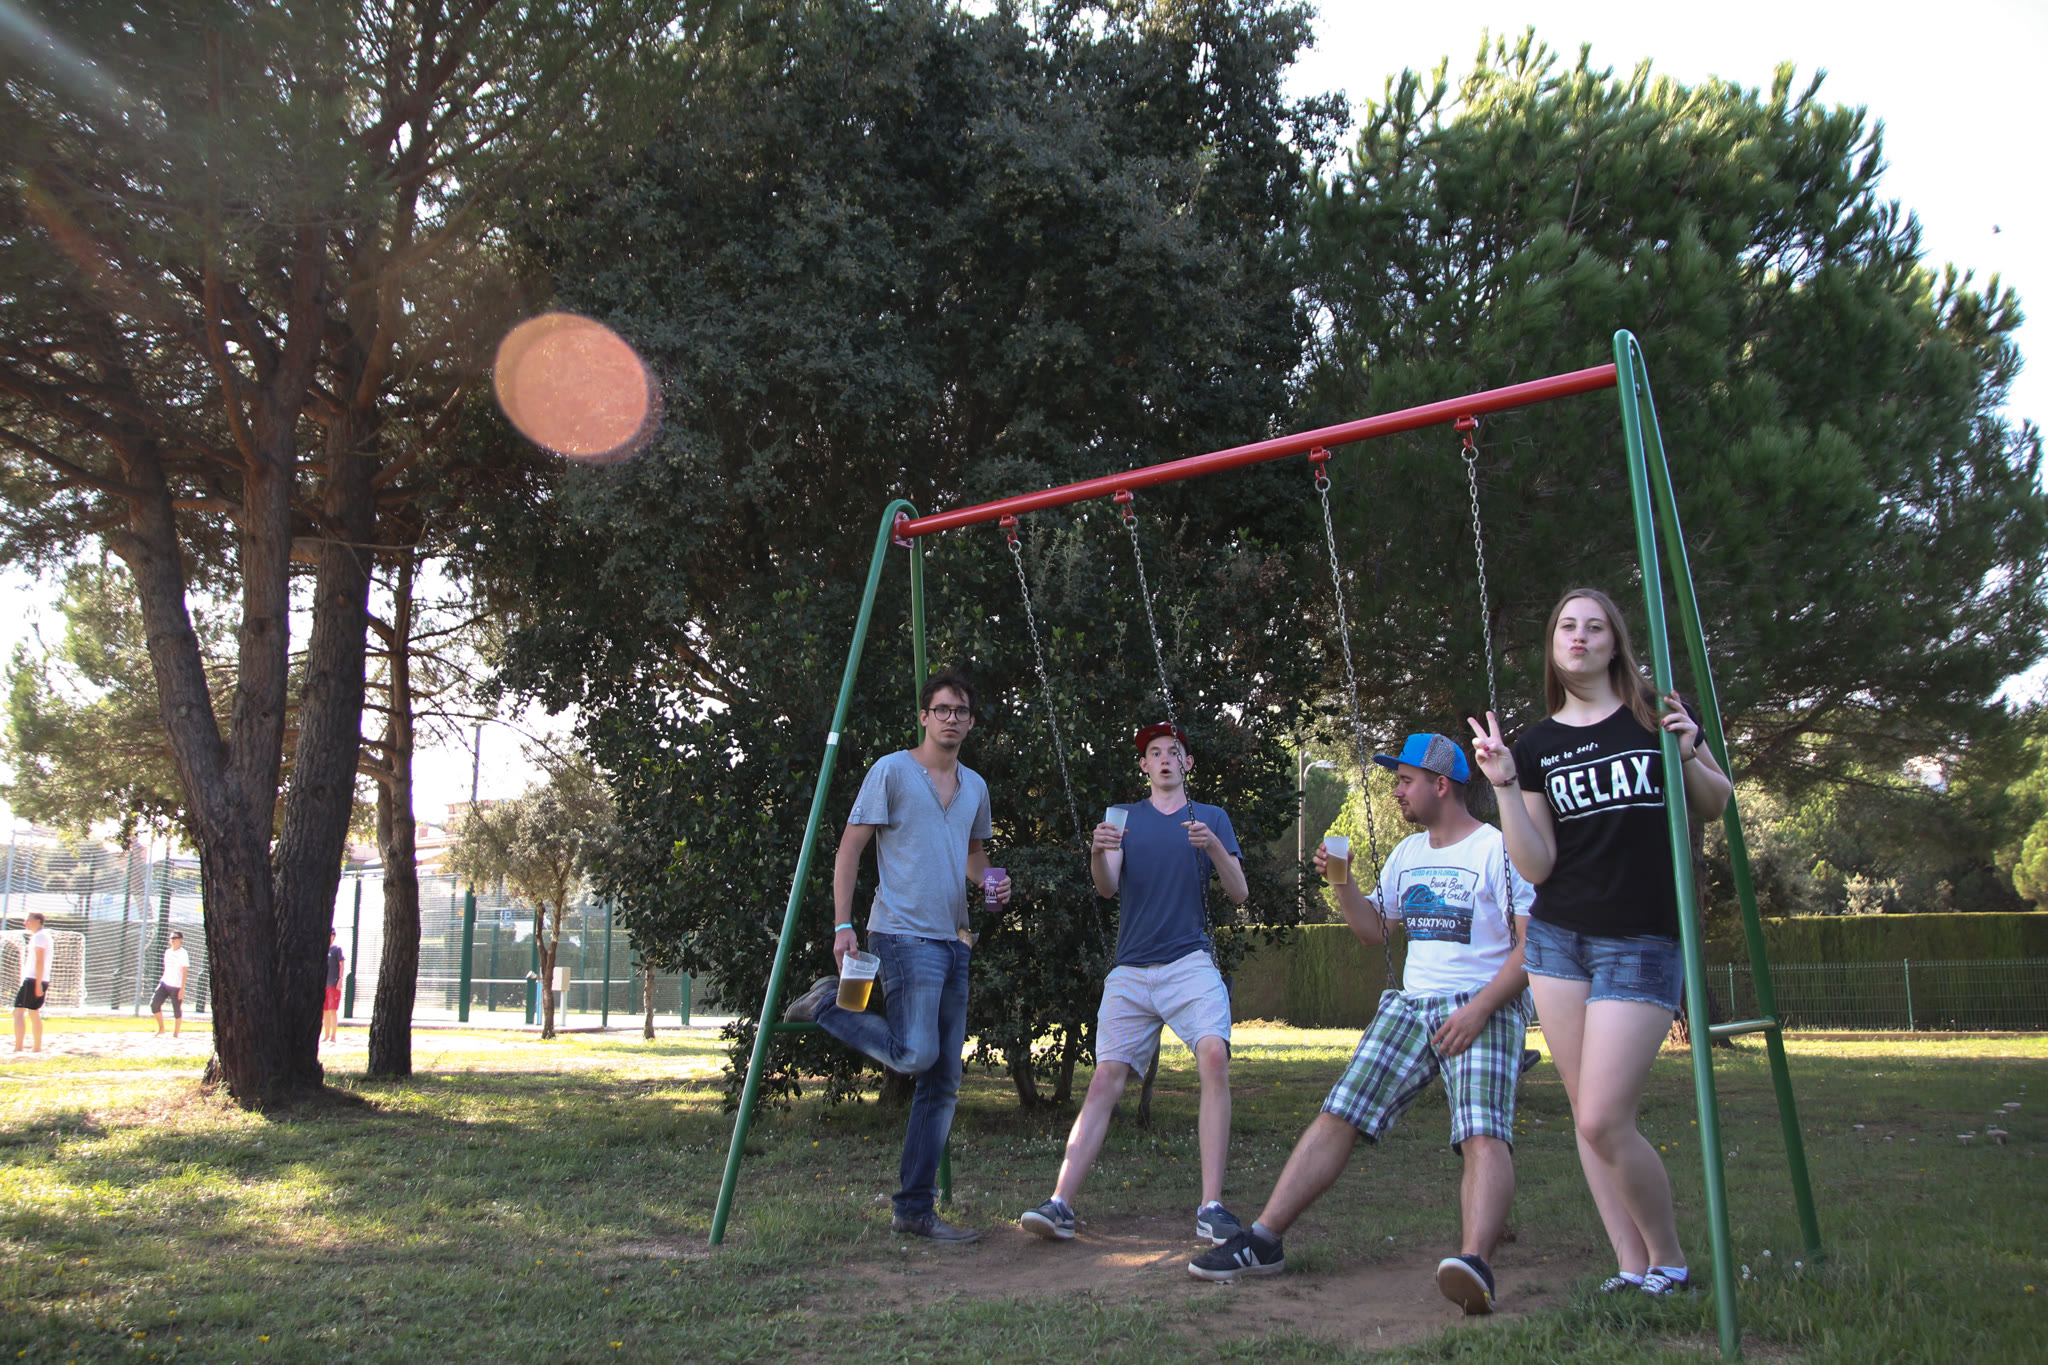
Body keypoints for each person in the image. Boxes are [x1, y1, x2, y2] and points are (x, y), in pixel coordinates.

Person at [1189, 734, 1533, 1317]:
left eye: (1405, 780)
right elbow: (1373, 931)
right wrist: (1343, 883)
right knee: (1340, 1111)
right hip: (1411, 1005)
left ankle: (1474, 1264)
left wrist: (1479, 1010)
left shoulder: (1498, 850)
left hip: (1485, 1003)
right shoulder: (1407, 854)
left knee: (1482, 1129)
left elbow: (1531, 947)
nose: (1396, 791)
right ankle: (1263, 1241)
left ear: (1440, 784)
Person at [1468, 586, 1731, 1298]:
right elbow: (1536, 865)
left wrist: (1690, 750)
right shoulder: (1535, 745)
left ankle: (1669, 1260)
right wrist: (1504, 785)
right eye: (1566, 626)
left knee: (1602, 1115)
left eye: (1594, 627)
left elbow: (1715, 802)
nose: (1579, 636)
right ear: (1553, 645)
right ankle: (1630, 1265)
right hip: (1559, 942)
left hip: (1641, 939)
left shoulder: (1654, 715)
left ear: (1616, 642)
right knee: (1588, 1120)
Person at [782, 670, 1013, 1243]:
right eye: (943, 709)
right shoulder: (891, 771)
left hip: (955, 940)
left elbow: (973, 856)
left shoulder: (975, 786)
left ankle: (913, 1210)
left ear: (971, 722)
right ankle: (827, 1006)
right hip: (902, 935)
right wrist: (843, 925)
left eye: (961, 711)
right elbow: (849, 849)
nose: (952, 718)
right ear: (924, 717)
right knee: (914, 1054)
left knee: (943, 1082)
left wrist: (992, 884)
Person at [1020, 720, 1250, 1247]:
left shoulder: (1211, 817)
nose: (1166, 759)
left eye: (1174, 751)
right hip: (1131, 970)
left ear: (1188, 764)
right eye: (1155, 752)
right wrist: (1096, 851)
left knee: (1214, 1056)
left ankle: (1212, 1207)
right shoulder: (1122, 817)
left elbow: (1239, 893)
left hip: (1189, 963)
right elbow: (1106, 887)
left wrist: (1214, 846)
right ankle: (1060, 1204)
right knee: (1105, 1078)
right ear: (1144, 765)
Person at [13, 911, 53, 1054]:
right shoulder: (43, 936)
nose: (25, 923)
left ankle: (19, 1047)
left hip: (34, 979)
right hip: (39, 979)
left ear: (37, 921)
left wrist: (37, 984)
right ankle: (36, 1048)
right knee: (33, 1012)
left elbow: (40, 961)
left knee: (18, 1012)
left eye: (28, 920)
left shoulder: (40, 937)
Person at [152, 931, 190, 1037]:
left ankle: (176, 1033)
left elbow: (184, 971)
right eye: (171, 938)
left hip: (176, 986)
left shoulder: (183, 953)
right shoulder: (167, 952)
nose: (172, 940)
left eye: (175, 938)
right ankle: (161, 1028)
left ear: (180, 940)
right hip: (165, 983)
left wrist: (182, 988)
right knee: (154, 1004)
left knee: (176, 1009)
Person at [322, 929, 345, 1043]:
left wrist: (340, 979)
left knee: (332, 1010)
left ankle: (333, 1036)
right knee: (325, 1011)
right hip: (324, 985)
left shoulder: (336, 950)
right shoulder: (322, 950)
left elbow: (341, 964)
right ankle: (326, 1035)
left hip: (333, 984)